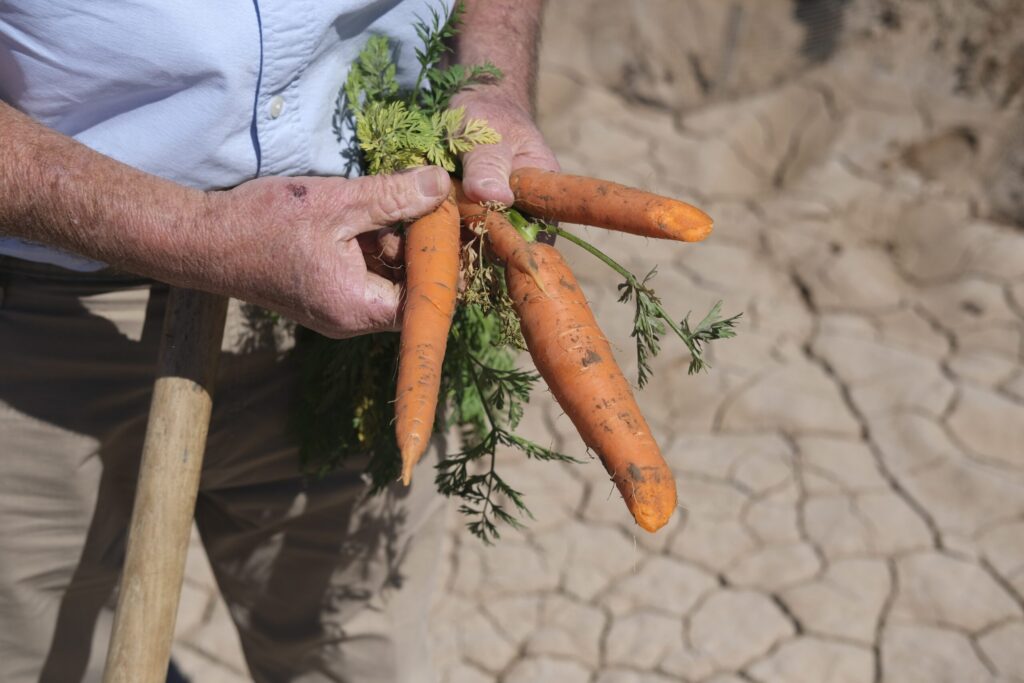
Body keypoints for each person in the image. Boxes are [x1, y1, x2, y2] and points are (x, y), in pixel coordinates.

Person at [0, 1, 559, 681]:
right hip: (44, 306)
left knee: (355, 655)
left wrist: (491, 77)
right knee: (45, 657)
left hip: (370, 285)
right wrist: (197, 232)